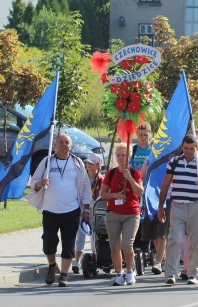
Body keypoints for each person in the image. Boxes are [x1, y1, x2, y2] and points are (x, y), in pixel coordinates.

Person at [30, 133, 92, 287]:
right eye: (61, 142)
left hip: (71, 210)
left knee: (68, 244)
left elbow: (85, 187)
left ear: (71, 145)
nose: (64, 145)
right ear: (55, 145)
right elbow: (34, 183)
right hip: (50, 209)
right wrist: (40, 183)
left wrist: (86, 209)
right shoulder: (47, 162)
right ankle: (52, 266)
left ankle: (64, 275)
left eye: (67, 142)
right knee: (48, 242)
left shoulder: (77, 163)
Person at [158, 134, 198, 285]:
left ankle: (194, 274)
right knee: (175, 239)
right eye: (185, 148)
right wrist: (160, 207)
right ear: (182, 147)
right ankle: (171, 274)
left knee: (197, 241)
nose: (188, 151)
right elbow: (165, 185)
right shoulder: (174, 162)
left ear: (197, 147)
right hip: (177, 205)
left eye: (191, 148)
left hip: (196, 205)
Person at [100, 143, 144, 286]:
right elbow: (103, 194)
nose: (120, 158)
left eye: (123, 155)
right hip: (113, 213)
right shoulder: (111, 173)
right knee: (114, 246)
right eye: (118, 155)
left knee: (127, 244)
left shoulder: (134, 172)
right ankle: (119, 274)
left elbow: (140, 192)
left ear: (129, 156)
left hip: (131, 213)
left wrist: (130, 179)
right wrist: (115, 195)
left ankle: (130, 271)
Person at [136, 122, 166, 275]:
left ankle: (159, 262)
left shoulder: (169, 161)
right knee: (154, 233)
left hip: (165, 199)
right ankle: (162, 257)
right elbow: (140, 178)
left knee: (161, 232)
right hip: (149, 199)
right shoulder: (148, 161)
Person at [73, 152, 104, 275]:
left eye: (92, 163)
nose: (89, 165)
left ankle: (95, 256)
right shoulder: (82, 177)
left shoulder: (101, 179)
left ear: (98, 165)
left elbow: (101, 196)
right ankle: (77, 261)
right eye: (88, 163)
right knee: (80, 235)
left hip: (96, 211)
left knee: (95, 235)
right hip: (83, 210)